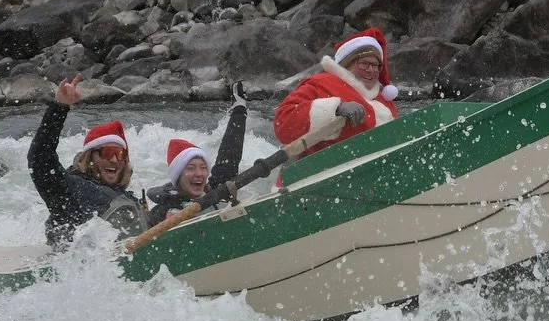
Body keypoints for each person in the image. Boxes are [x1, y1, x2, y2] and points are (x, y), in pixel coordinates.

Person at [27, 74, 146, 247]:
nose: (114, 159)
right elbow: (39, 159)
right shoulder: (68, 189)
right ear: (90, 158)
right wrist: (59, 108)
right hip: (72, 266)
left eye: (120, 154)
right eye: (106, 152)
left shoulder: (127, 198)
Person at [273, 27, 399, 159]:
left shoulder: (383, 100)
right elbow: (283, 125)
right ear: (347, 64)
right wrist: (335, 109)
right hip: (319, 169)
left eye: (376, 65)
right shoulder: (321, 83)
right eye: (364, 64)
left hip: (375, 166)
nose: (371, 70)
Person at [144, 81, 250, 226]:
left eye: (203, 167)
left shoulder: (215, 190)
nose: (199, 173)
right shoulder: (161, 212)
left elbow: (230, 153)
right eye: (191, 168)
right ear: (178, 175)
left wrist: (239, 110)